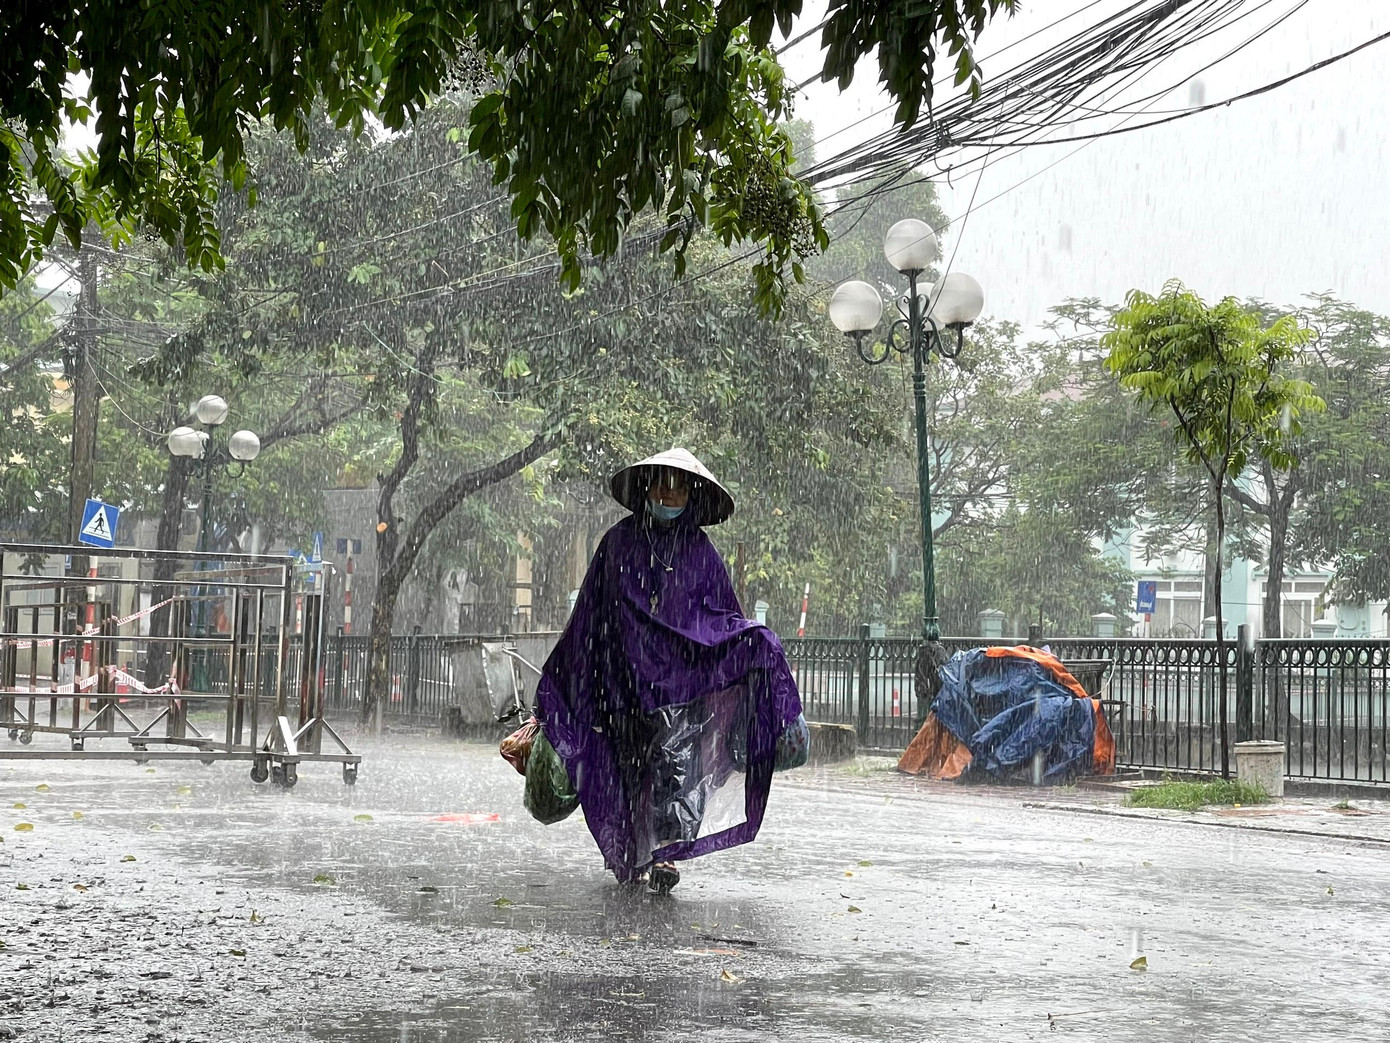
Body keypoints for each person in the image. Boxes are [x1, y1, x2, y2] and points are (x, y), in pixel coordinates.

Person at [534, 448, 806, 893]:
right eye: (661, 485)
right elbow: (590, 614)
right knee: (629, 771)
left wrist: (756, 645)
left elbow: (722, 617)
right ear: (646, 490)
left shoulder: (701, 552)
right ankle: (636, 854)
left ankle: (667, 854)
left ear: (690, 496)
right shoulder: (617, 543)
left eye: (678, 488)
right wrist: (564, 684)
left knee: (675, 769)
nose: (668, 494)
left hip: (680, 687)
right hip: (622, 685)